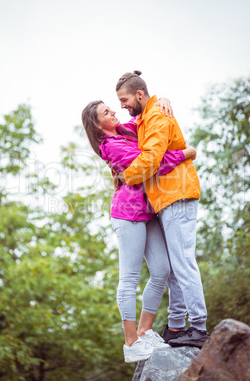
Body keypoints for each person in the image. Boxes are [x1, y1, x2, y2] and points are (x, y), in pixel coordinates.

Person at [81, 100, 196, 362]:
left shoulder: (126, 131)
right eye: (106, 112)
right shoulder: (110, 145)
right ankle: (131, 343)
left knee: (162, 269)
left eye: (111, 107)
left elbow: (146, 116)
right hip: (128, 215)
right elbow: (149, 165)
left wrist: (159, 99)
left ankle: (144, 331)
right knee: (129, 277)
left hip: (148, 211)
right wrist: (184, 154)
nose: (113, 111)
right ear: (98, 125)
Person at [115, 71, 210, 348]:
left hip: (177, 196)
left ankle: (199, 327)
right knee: (173, 267)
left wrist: (125, 176)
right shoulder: (145, 118)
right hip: (167, 199)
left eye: (124, 100)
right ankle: (177, 326)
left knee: (182, 262)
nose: (122, 106)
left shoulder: (155, 116)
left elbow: (151, 160)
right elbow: (117, 131)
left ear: (139, 95)